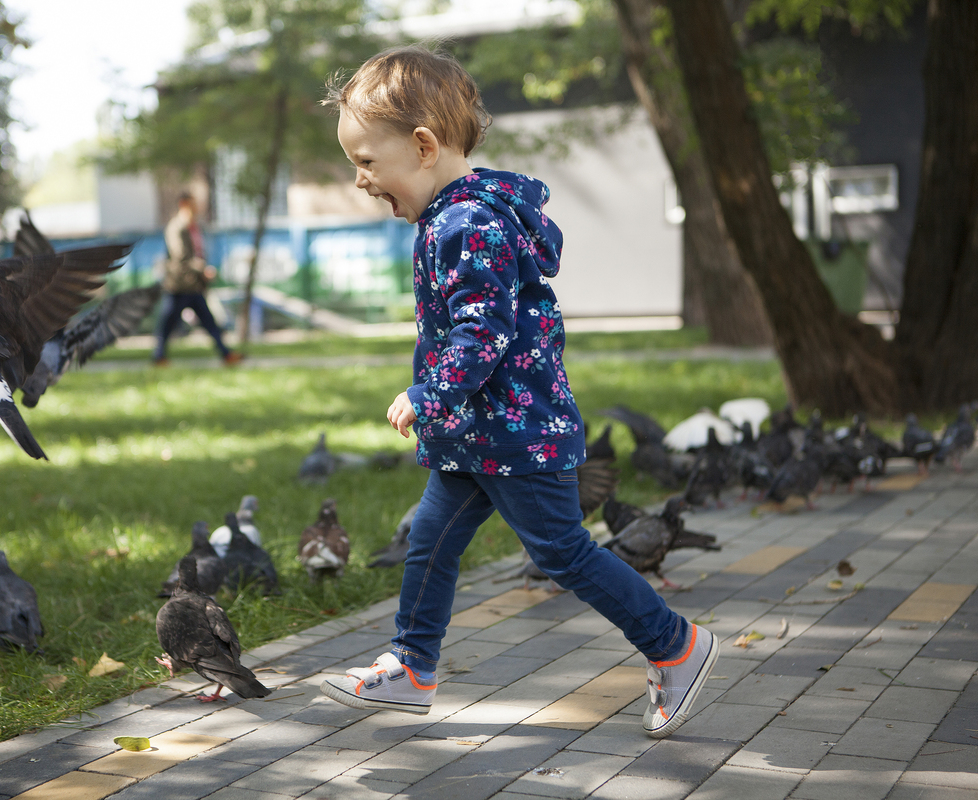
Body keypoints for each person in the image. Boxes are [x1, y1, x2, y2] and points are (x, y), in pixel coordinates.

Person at [317, 45, 717, 739]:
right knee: (430, 544)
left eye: (367, 161)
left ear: (423, 147)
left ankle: (676, 645)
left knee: (562, 552)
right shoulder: (455, 215)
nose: (360, 179)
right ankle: (412, 668)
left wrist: (429, 393)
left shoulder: (467, 223)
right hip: (478, 434)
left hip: (515, 432)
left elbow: (482, 331)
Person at [153, 192, 241, 366]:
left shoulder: (194, 227)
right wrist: (202, 269)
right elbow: (180, 256)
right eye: (193, 204)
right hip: (179, 285)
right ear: (184, 205)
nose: (196, 208)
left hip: (194, 285)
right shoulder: (176, 228)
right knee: (168, 322)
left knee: (208, 321)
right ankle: (159, 356)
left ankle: (226, 353)